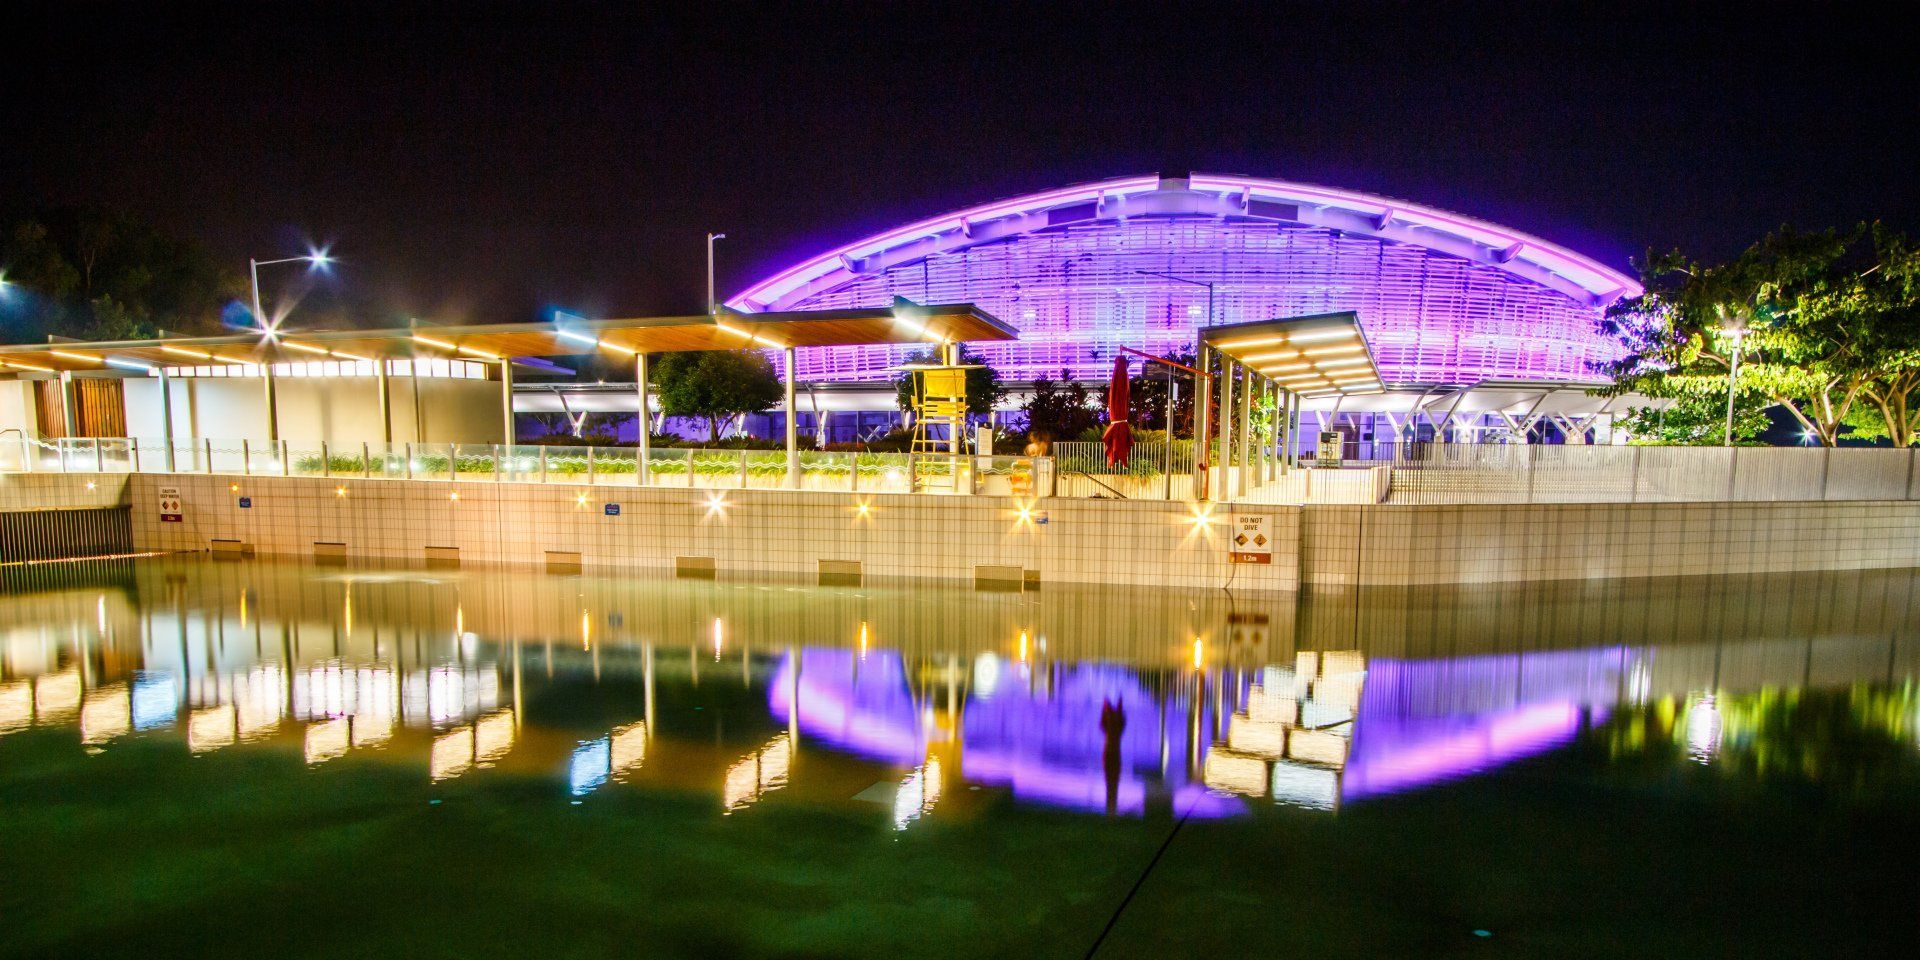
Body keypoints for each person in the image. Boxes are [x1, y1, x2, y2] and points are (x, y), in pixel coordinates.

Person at [1099, 697, 1127, 815]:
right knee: (1113, 781)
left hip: (1110, 752)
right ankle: (1112, 805)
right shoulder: (1117, 725)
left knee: (1110, 781)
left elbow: (1102, 725)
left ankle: (1110, 805)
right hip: (1114, 752)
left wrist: (1105, 710)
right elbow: (1121, 722)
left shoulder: (1110, 725)